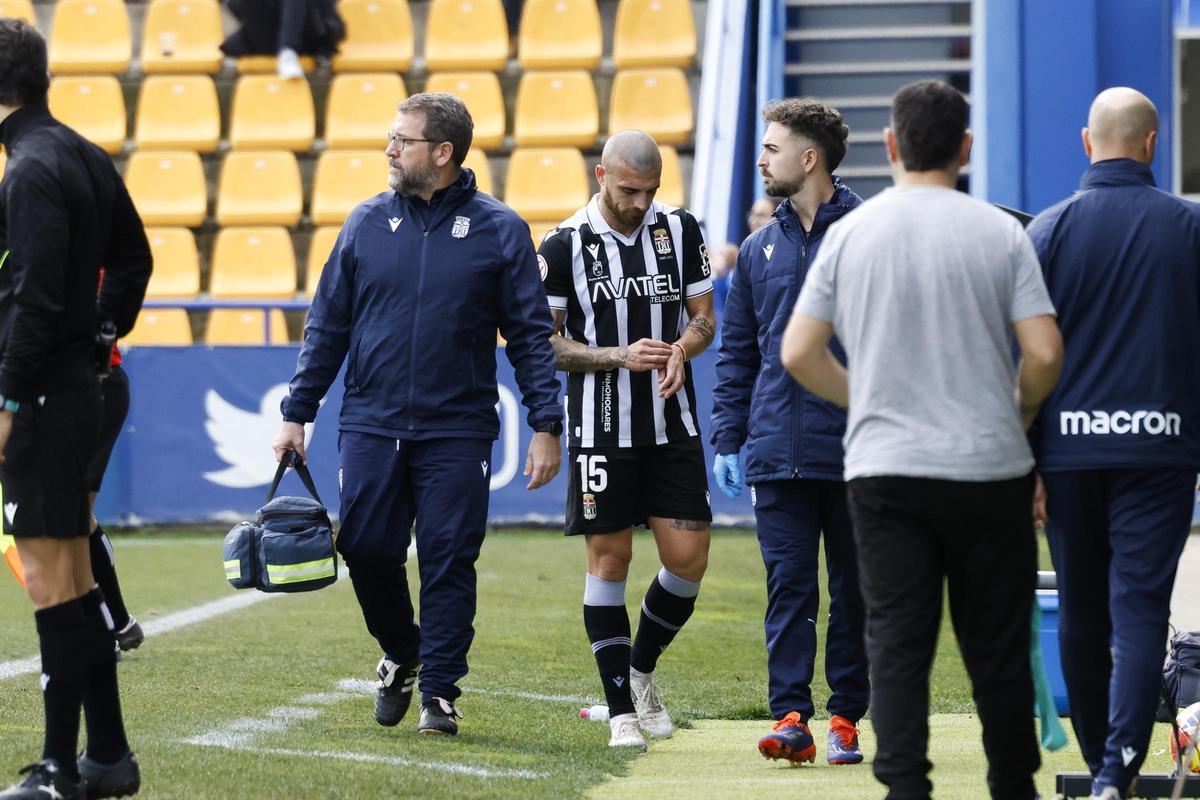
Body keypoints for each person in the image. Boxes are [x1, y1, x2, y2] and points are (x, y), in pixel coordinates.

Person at [781, 79, 1063, 800]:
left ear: (891, 145)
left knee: (898, 647)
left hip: (887, 470)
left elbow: (798, 354)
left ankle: (905, 787)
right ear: (965, 149)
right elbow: (1044, 353)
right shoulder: (999, 232)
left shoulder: (851, 234)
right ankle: (1013, 788)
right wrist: (1018, 414)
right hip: (987, 467)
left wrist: (867, 397)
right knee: (996, 650)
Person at [273, 92, 563, 737]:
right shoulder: (364, 222)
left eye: (402, 139)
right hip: (371, 421)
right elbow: (328, 326)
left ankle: (438, 691)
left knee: (448, 555)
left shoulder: (500, 228)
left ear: (442, 152)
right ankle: (404, 653)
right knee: (367, 549)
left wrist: (547, 424)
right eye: (391, 137)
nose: (389, 148)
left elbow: (529, 334)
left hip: (458, 427)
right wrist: (297, 413)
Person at [1026, 87, 1200, 800]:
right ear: (1153, 144)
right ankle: (1113, 772)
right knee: (1140, 610)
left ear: (1086, 141)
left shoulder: (1047, 231)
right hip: (1160, 452)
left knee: (1081, 609)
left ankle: (1106, 765)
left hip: (1067, 453)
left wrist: (1027, 462)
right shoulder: (1189, 229)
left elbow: (1026, 358)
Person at [0, 19, 152, 800]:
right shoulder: (83, 152)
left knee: (50, 581)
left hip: (45, 398)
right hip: (75, 385)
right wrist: (102, 333)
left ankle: (59, 768)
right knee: (78, 580)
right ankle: (108, 758)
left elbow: (32, 294)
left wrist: (8, 396)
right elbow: (135, 257)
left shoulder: (29, 167)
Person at [538, 130, 715, 748]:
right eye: (629, 190)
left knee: (688, 561)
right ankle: (619, 712)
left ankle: (638, 671)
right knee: (609, 561)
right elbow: (547, 343)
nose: (641, 203)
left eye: (651, 191)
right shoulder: (563, 245)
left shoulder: (682, 229)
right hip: (599, 428)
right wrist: (619, 355)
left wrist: (681, 352)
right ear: (601, 176)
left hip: (674, 423)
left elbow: (703, 318)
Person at [710, 99, 869, 766]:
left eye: (772, 148)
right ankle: (792, 716)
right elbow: (738, 353)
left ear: (808, 159)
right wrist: (727, 436)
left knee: (857, 590)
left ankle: (845, 719)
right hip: (777, 452)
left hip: (859, 451)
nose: (761, 158)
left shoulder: (867, 233)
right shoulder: (757, 249)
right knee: (790, 590)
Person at [219, 0, 344, 80]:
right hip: (265, 39)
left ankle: (288, 51)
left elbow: (333, 25)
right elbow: (237, 8)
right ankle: (286, 50)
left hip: (304, 41)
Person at [711, 196, 780, 319]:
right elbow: (727, 309)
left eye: (761, 215)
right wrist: (724, 273)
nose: (753, 220)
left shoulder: (782, 255)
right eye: (752, 215)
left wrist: (738, 266)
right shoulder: (748, 254)